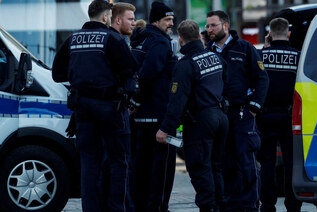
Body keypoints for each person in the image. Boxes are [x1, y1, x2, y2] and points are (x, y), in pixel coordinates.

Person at [52, 0, 138, 211]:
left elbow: (57, 74)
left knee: (89, 162)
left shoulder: (72, 39)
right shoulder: (112, 39)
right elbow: (130, 70)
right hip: (110, 107)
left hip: (83, 107)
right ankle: (117, 208)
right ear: (104, 17)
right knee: (119, 161)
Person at [156, 19, 229, 212]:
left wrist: (165, 129)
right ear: (199, 36)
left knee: (200, 169)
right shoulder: (215, 57)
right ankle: (220, 207)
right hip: (221, 117)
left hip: (201, 122)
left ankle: (208, 208)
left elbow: (176, 101)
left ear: (180, 40)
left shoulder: (185, 65)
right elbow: (227, 82)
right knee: (216, 168)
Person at [206, 10, 269, 212]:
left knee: (246, 160)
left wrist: (255, 107)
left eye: (213, 25)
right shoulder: (208, 51)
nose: (209, 30)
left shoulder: (245, 48)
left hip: (242, 114)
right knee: (223, 161)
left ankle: (250, 205)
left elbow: (262, 78)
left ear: (225, 26)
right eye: (207, 26)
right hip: (218, 116)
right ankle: (228, 205)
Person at [129, 2, 178, 212]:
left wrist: (135, 103)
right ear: (156, 21)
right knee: (162, 170)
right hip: (157, 116)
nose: (171, 23)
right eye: (167, 20)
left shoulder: (142, 40)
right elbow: (148, 75)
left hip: (141, 117)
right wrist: (138, 101)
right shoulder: (159, 42)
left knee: (142, 167)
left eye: (172, 19)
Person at [257, 17, 302, 212]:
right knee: (291, 162)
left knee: (267, 162)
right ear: (289, 33)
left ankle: (268, 205)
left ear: (269, 33)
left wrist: (266, 47)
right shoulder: (298, 56)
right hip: (290, 116)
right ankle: (293, 205)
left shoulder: (260, 55)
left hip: (265, 116)